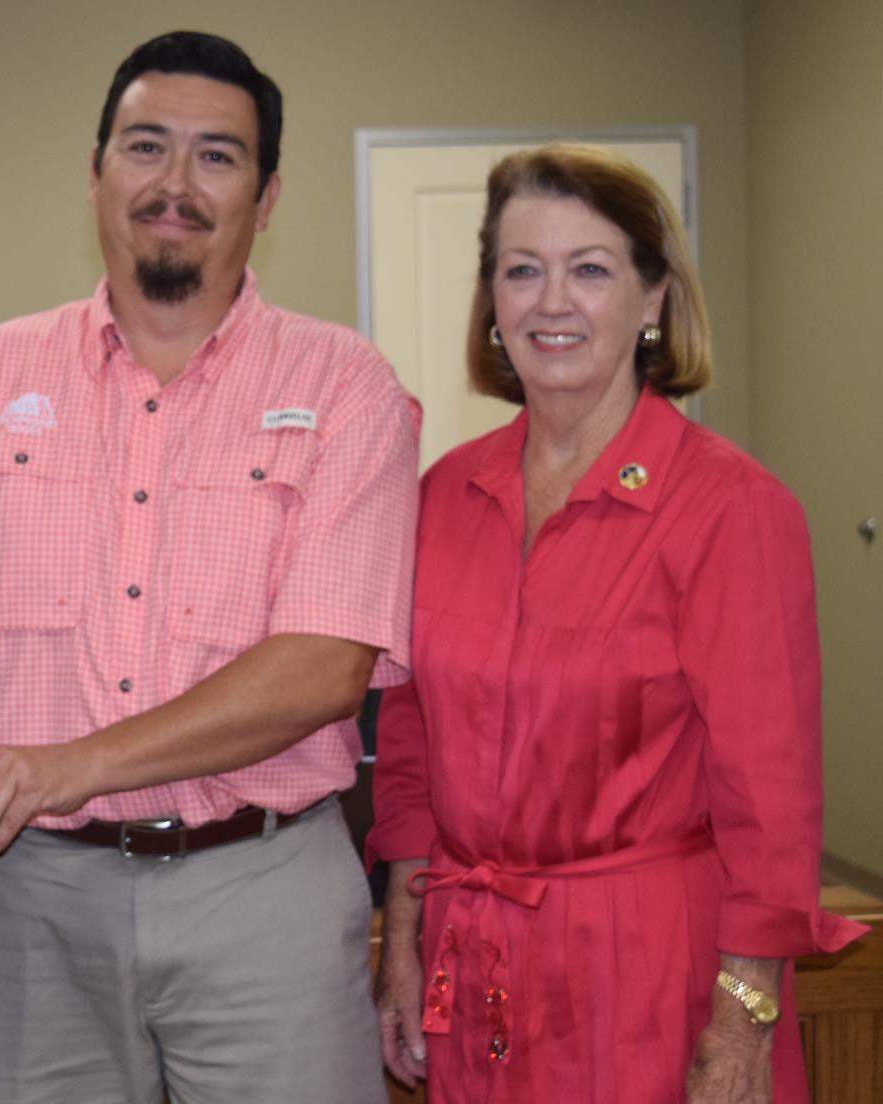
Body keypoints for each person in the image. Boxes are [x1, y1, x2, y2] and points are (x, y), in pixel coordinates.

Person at [0, 31, 419, 1103]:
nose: (175, 184)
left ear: (267, 195)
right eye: (146, 146)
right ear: (94, 172)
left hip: (264, 888)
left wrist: (68, 763)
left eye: (217, 157)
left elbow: (323, 666)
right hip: (32, 900)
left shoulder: (349, 389)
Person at [366, 144, 867, 1102]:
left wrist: (743, 1020)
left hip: (651, 974)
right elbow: (412, 737)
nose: (551, 302)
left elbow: (772, 798)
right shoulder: (443, 497)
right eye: (522, 270)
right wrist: (405, 929)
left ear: (653, 300)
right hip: (477, 973)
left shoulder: (729, 509)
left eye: (590, 269)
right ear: (492, 301)